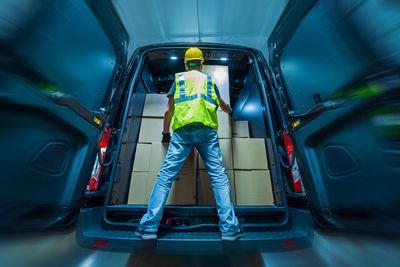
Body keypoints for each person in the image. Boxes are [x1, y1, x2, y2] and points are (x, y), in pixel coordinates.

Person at [135, 47, 244, 241]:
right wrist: (229, 111)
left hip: (183, 132)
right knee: (218, 177)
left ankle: (148, 228)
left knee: (165, 177)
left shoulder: (179, 79)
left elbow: (169, 111)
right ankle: (229, 229)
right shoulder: (210, 81)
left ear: (186, 64)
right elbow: (223, 105)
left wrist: (165, 134)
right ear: (201, 63)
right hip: (207, 132)